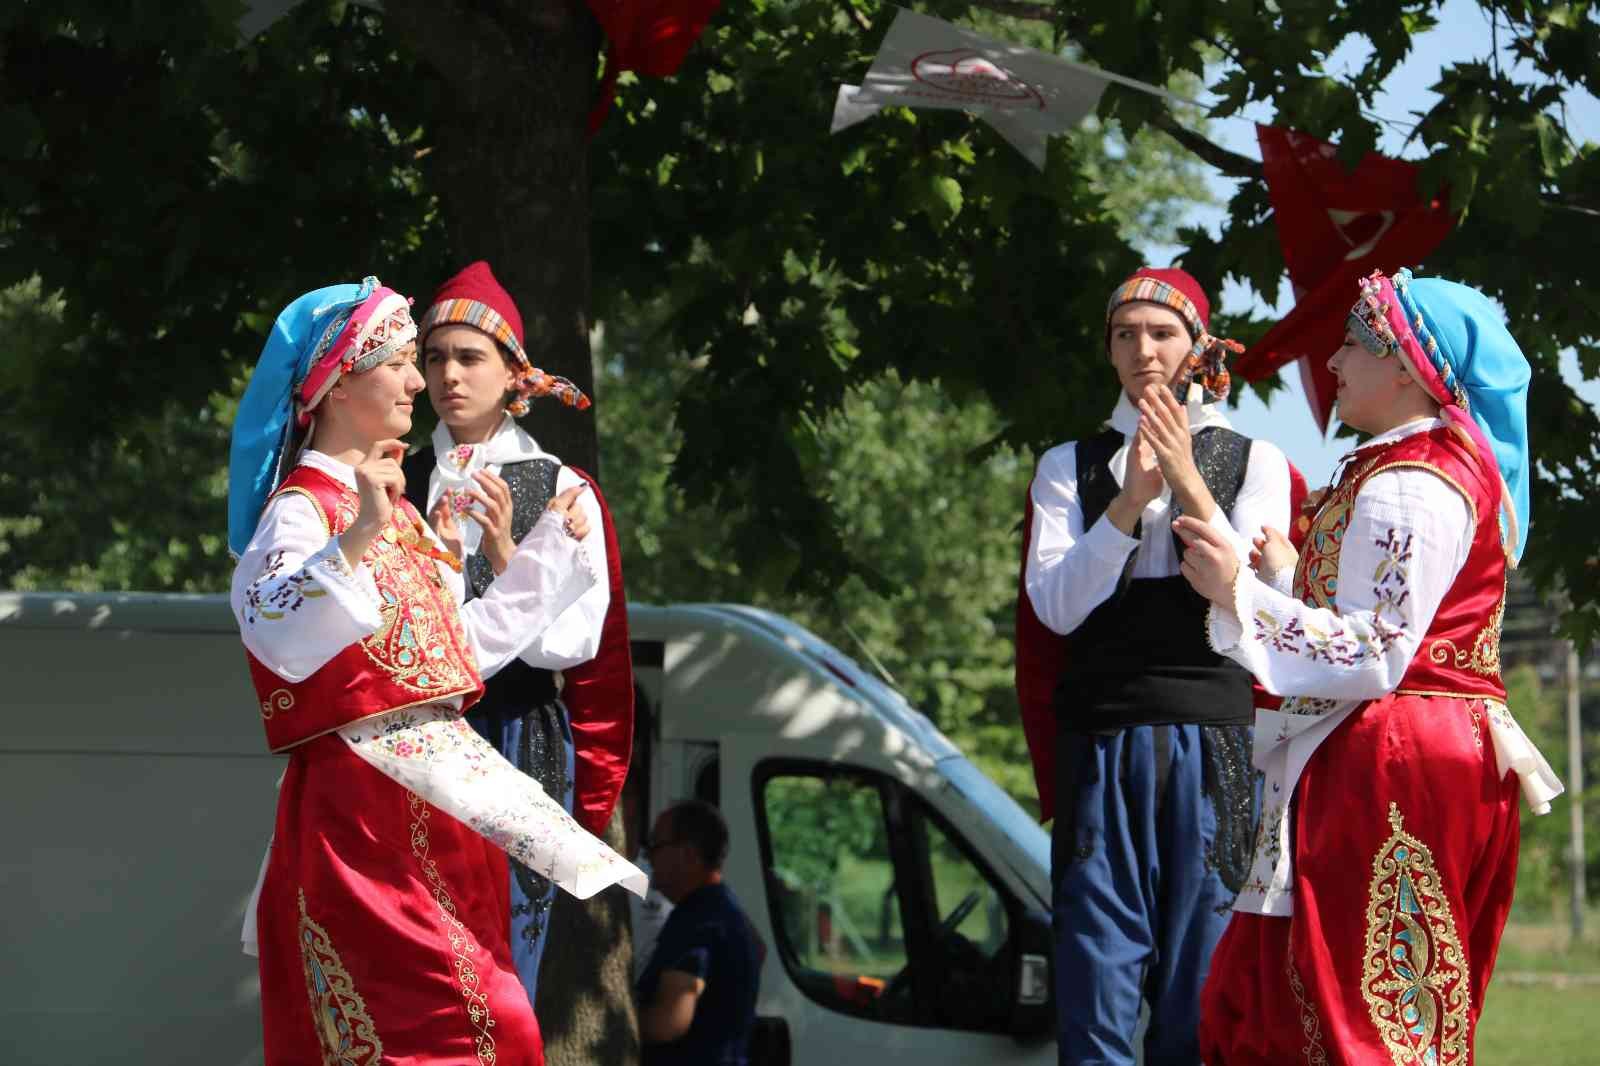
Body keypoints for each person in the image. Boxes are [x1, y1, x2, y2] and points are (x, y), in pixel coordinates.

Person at [229, 276, 646, 1065]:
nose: (425, 381)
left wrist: (542, 563)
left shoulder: (397, 504)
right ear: (338, 381)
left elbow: (453, 651)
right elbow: (269, 623)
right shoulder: (308, 507)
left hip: (436, 804)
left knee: (498, 1031)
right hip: (360, 816)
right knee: (447, 1038)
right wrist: (356, 538)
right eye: (404, 361)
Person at [1179, 269, 1562, 1064]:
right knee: (1310, 996)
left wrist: (1240, 593)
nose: (1335, 364)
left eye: (1354, 344)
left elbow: (1376, 650)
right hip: (1406, 747)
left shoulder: (1411, 484)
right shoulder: (1411, 472)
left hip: (1393, 760)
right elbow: (1395, 630)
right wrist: (1286, 578)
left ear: (1407, 366)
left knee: (1368, 1015)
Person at [1015, 267, 1295, 1064]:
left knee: (1203, 983)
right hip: (1105, 739)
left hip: (1216, 743)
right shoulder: (1067, 466)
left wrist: (1183, 480)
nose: (1144, 350)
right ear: (1107, 349)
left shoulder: (1255, 460)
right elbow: (1057, 608)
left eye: (1163, 333)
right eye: (1126, 334)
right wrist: (1128, 502)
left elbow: (1250, 599)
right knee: (1097, 972)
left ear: (1199, 347)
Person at [402, 260, 634, 1004]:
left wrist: (507, 556)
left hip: (515, 737)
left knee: (498, 977)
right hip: (406, 741)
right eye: (434, 358)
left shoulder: (560, 489)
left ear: (513, 374)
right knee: (409, 966)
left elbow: (573, 646)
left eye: (470, 358)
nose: (449, 375)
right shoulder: (390, 479)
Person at [636, 800, 763, 1066]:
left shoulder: (698, 920)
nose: (648, 857)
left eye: (656, 846)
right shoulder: (725, 906)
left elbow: (669, 1022)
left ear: (687, 855)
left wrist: (610, 1022)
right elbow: (760, 947)